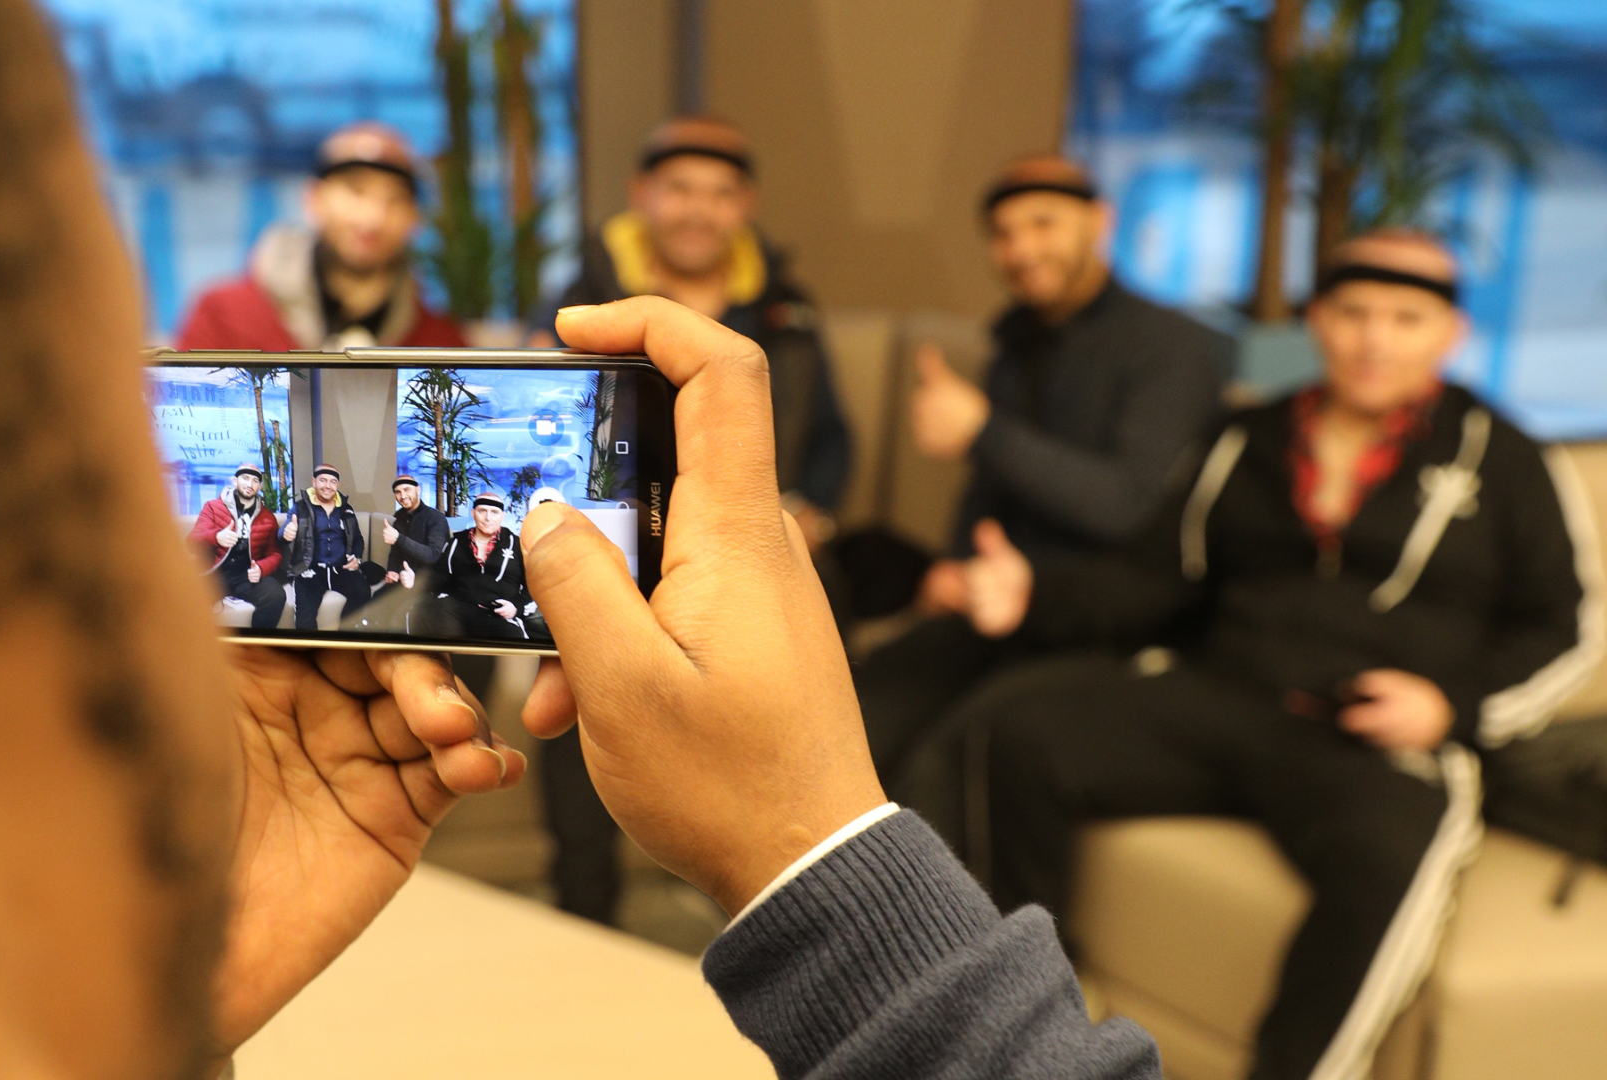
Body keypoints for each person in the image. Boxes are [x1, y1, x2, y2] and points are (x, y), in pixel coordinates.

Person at [0, 2, 1161, 1076]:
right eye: (124, 525)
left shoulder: (497, 354)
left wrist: (142, 1013)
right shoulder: (247, 353)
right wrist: (816, 849)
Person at [955, 232, 1602, 1080]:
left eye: (1407, 319)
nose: (1376, 340)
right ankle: (1035, 1025)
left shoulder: (1509, 458)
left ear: (1451, 335)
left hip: (1371, 736)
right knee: (1021, 730)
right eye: (1355, 313)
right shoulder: (1246, 434)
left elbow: (1568, 626)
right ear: (1318, 321)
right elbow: (1158, 577)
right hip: (1222, 697)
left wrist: (1453, 706)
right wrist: (1032, 594)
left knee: (1384, 862)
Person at [846, 155, 1232, 846]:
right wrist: (955, 568)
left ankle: (947, 947)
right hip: (994, 607)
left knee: (951, 761)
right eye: (1003, 233)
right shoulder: (1016, 340)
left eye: (1043, 223)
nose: (1021, 249)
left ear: (1101, 223)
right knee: (856, 714)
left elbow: (1126, 503)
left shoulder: (1173, 349)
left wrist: (982, 430)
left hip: (1101, 622)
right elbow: (994, 488)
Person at [532, 114, 856, 923]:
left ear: (744, 205)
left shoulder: (792, 314)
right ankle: (585, 906)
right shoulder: (586, 303)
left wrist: (811, 510)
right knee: (582, 672)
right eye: (679, 189)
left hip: (757, 545)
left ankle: (769, 896)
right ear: (644, 195)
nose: (697, 211)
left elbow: (832, 440)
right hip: (619, 547)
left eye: (719, 193)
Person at [176, 121, 467, 351]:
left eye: (394, 199)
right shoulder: (224, 317)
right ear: (313, 199)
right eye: (356, 190)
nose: (372, 217)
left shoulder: (441, 343)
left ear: (414, 219)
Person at [416, 493, 540, 641]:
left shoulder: (518, 545)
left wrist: (516, 607)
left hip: (497, 615)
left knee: (510, 637)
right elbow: (439, 577)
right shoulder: (456, 542)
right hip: (457, 611)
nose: (488, 518)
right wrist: (415, 581)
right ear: (473, 513)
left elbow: (534, 586)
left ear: (502, 516)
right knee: (427, 610)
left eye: (494, 512)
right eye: (482, 511)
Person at [189, 464, 287, 629]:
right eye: (245, 478)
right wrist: (216, 537)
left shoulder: (268, 517)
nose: (250, 484)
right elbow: (192, 541)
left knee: (276, 596)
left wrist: (261, 569)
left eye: (255, 481)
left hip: (246, 576)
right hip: (215, 572)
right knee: (187, 597)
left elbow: (275, 554)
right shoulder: (213, 507)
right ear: (235, 481)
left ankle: (257, 645)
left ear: (260, 486)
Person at [350, 474, 451, 632]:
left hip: (429, 581)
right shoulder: (400, 518)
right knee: (375, 601)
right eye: (397, 492)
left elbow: (433, 556)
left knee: (397, 614)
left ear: (418, 489)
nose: (402, 496)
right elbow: (396, 551)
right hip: (403, 580)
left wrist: (398, 537)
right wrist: (392, 570)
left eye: (406, 489)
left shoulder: (435, 518)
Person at [282, 464, 371, 629]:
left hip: (341, 569)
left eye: (332, 481)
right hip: (310, 570)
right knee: (305, 616)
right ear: (314, 482)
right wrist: (287, 533)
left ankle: (343, 639)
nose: (328, 486)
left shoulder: (346, 509)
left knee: (363, 591)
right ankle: (310, 651)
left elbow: (358, 539)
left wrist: (357, 559)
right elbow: (283, 534)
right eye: (323, 480)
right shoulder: (300, 508)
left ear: (337, 485)